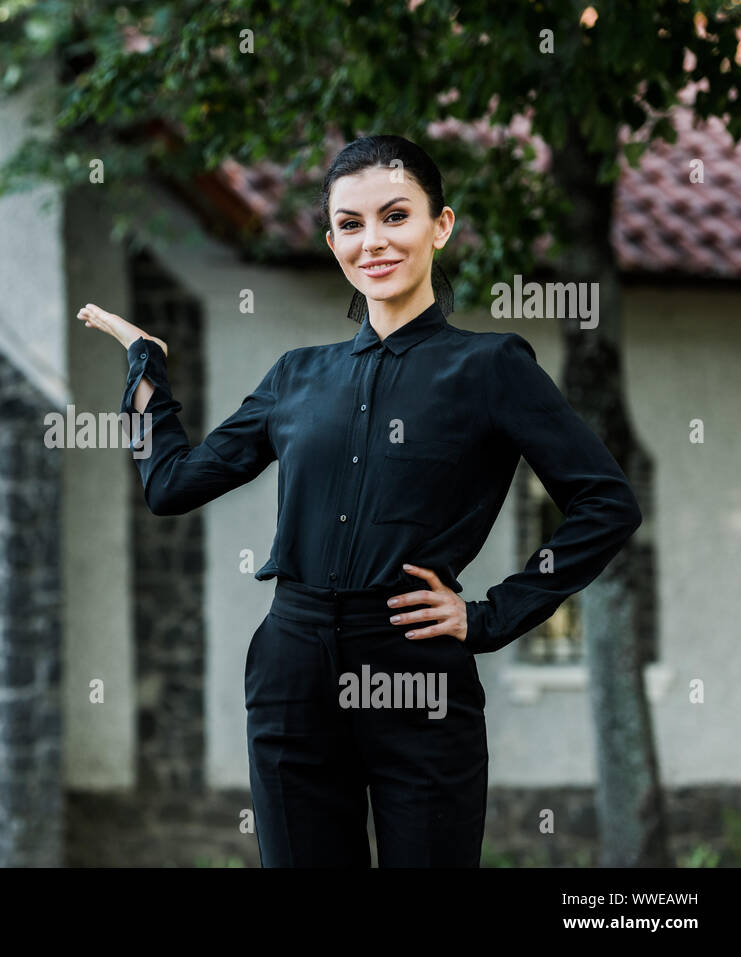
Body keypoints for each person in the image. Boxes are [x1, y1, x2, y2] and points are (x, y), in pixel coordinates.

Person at [76, 133, 643, 867]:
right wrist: (144, 366)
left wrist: (488, 614)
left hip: (414, 666)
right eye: (350, 223)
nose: (372, 240)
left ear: (440, 226)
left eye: (395, 215)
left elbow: (606, 502)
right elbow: (171, 484)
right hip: (291, 671)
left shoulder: (492, 367)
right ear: (332, 237)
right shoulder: (296, 376)